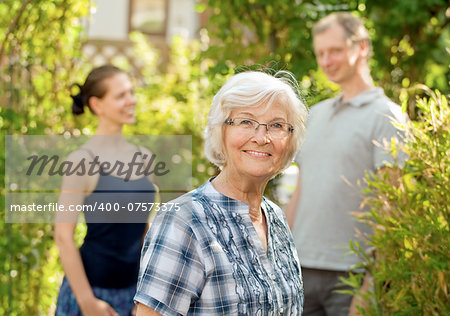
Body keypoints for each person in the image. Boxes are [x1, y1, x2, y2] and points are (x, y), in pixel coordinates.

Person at [134, 70, 308, 316]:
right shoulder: (183, 221)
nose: (262, 137)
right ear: (221, 131)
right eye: (246, 121)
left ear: (290, 141)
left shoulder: (277, 219)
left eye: (277, 125)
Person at [285, 12, 408, 316]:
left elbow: (392, 206)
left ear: (362, 47)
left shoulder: (387, 116)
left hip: (352, 275)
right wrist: (280, 257)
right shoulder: (314, 114)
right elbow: (303, 189)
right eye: (320, 53)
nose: (326, 61)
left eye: (335, 50)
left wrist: (372, 282)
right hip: (300, 268)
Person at [55, 65, 157, 316]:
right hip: (93, 294)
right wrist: (88, 303)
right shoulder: (82, 161)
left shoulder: (144, 158)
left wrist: (147, 294)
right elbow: (63, 236)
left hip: (135, 296)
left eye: (131, 93)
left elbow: (144, 231)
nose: (131, 100)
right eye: (121, 95)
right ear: (97, 105)